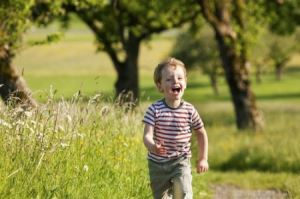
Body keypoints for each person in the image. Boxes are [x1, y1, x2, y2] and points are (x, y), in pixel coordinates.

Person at [143, 57, 209, 199]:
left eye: (180, 78)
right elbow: (147, 135)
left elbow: (201, 133)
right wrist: (152, 146)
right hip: (157, 164)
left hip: (181, 161)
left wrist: (203, 158)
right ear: (159, 85)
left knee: (184, 193)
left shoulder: (190, 110)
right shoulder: (154, 110)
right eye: (169, 79)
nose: (175, 81)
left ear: (185, 83)